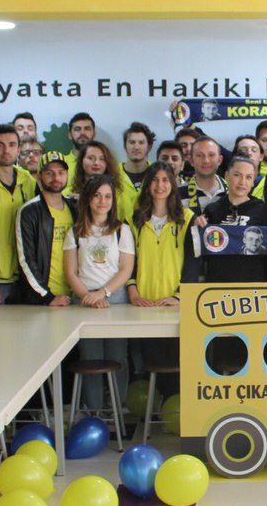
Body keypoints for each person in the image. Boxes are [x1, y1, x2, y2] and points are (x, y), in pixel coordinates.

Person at [64, 174, 136, 408]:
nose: (102, 201)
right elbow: (71, 273)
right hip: (85, 301)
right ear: (88, 199)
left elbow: (126, 269)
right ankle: (94, 411)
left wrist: (103, 293)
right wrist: (89, 297)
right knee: (90, 358)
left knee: (118, 356)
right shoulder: (75, 232)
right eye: (97, 196)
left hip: (115, 300)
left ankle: (118, 409)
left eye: (107, 196)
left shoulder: (121, 230)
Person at [129, 162, 192, 395]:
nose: (160, 185)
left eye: (165, 180)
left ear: (173, 184)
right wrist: (133, 292)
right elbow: (128, 261)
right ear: (147, 185)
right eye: (155, 180)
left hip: (175, 305)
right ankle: (152, 410)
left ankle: (175, 408)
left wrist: (179, 295)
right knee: (150, 363)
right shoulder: (133, 219)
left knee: (176, 363)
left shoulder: (187, 218)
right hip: (144, 304)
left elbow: (193, 262)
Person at [181, 156, 267, 284]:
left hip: (254, 284)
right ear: (226, 176)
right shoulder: (213, 210)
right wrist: (195, 229)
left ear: (253, 181)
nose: (242, 182)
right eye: (237, 175)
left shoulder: (262, 210)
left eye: (248, 177)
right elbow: (198, 253)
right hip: (218, 284)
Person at [0, 123, 37, 303]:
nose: (6, 150)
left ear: (19, 149)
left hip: (25, 278)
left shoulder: (28, 181)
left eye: (12, 144)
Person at [17, 151, 79, 306]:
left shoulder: (75, 208)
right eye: (49, 173)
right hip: (43, 299)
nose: (56, 178)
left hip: (75, 295)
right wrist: (47, 296)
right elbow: (26, 259)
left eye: (61, 172)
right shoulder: (29, 211)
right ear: (39, 177)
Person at [72, 139, 137, 222]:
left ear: (107, 163)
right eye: (90, 158)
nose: (96, 163)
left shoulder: (119, 195)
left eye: (102, 159)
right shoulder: (70, 193)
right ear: (81, 160)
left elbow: (129, 222)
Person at [183, 136, 226, 213]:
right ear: (191, 161)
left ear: (220, 160)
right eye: (199, 155)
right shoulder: (177, 194)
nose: (206, 161)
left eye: (211, 155)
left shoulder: (233, 191)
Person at [120, 121, 155, 189]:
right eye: (132, 142)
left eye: (141, 143)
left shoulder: (156, 173)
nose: (136, 147)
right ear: (125, 146)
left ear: (149, 147)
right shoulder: (113, 173)